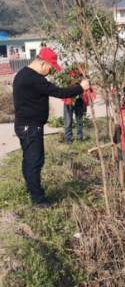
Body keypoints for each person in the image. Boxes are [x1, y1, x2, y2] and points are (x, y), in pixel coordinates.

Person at [13, 47, 90, 208]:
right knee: (34, 162)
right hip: (31, 127)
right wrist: (81, 88)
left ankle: (32, 190)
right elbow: (59, 92)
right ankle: (38, 200)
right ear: (42, 63)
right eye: (50, 68)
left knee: (29, 160)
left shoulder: (22, 74)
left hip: (24, 125)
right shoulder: (34, 79)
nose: (50, 72)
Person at [62, 65, 96, 144]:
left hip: (79, 100)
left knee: (79, 120)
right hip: (69, 100)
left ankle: (80, 137)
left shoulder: (84, 77)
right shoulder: (69, 75)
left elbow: (88, 87)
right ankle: (68, 138)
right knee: (68, 121)